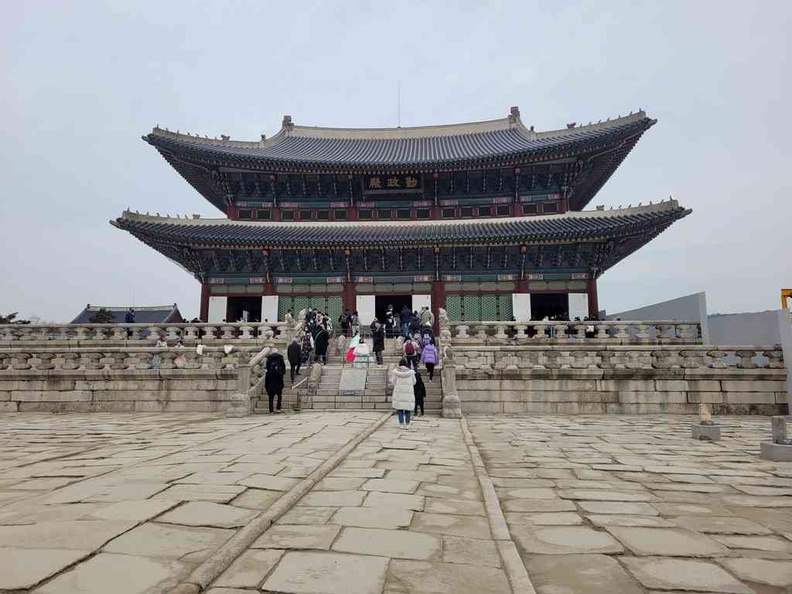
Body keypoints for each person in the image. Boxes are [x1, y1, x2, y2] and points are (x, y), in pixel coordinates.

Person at [391, 358, 416, 429]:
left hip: (399, 392)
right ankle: (407, 424)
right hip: (408, 392)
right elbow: (414, 382)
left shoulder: (396, 372)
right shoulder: (410, 372)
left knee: (400, 409)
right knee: (408, 409)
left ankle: (401, 424)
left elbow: (393, 382)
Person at [264, 348, 286, 414]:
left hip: (270, 386)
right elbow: (283, 365)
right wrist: (283, 372)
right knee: (279, 396)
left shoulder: (269, 359)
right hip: (278, 385)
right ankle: (278, 408)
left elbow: (266, 381)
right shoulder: (280, 357)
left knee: (271, 399)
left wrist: (266, 388)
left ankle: (271, 411)